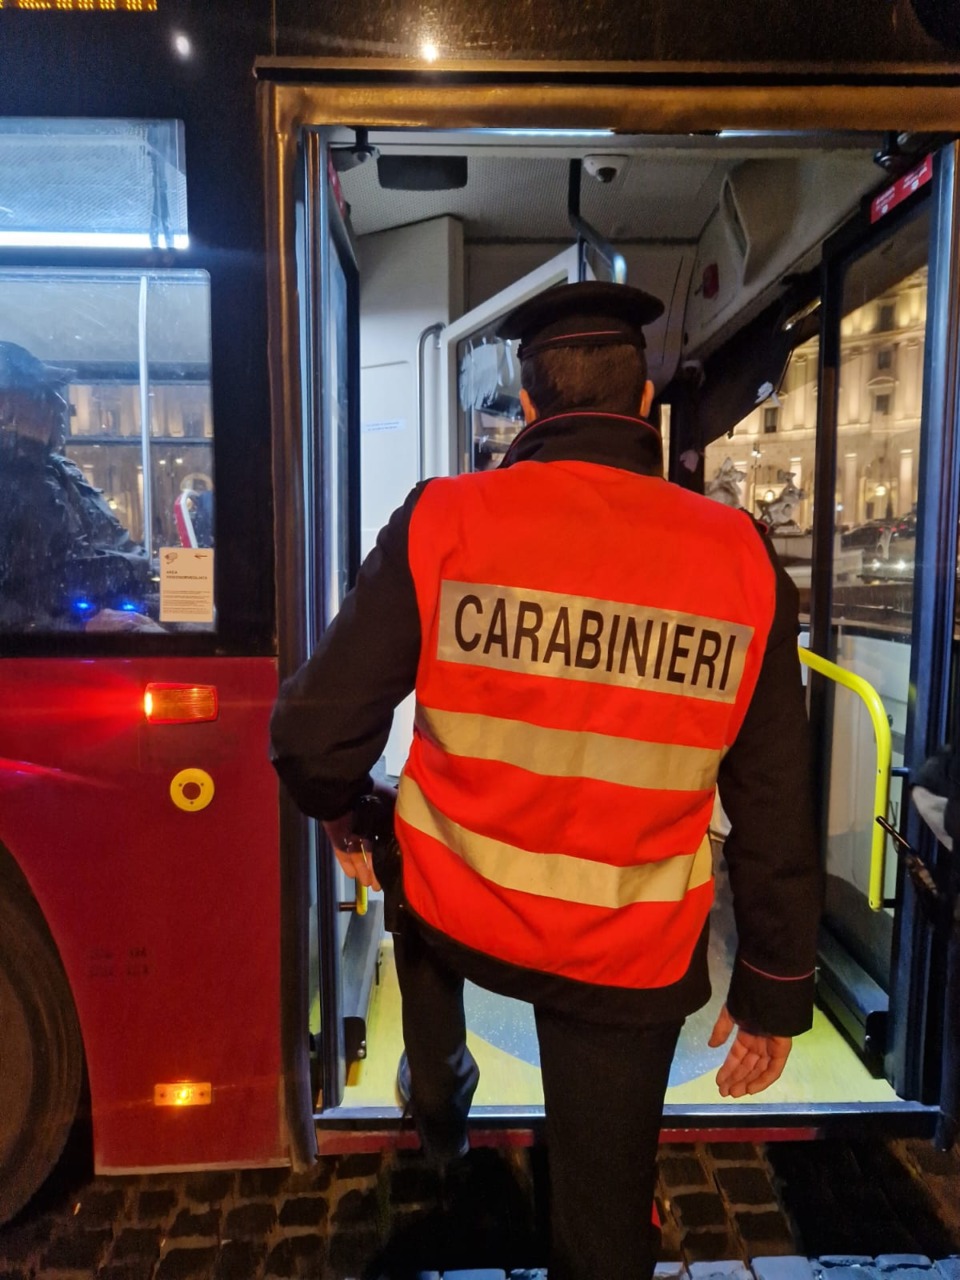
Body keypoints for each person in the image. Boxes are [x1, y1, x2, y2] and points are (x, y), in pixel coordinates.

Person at [270, 281, 823, 1280]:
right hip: (628, 950)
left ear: (527, 408)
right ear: (644, 405)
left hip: (459, 902)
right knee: (603, 1230)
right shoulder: (739, 558)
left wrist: (352, 811)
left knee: (402, 839)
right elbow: (777, 793)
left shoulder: (445, 521)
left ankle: (438, 1104)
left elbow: (312, 735)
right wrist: (776, 984)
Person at [0, 340, 158, 632]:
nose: (62, 406)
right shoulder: (10, 485)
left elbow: (116, 549)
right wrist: (77, 631)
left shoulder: (65, 473)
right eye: (44, 395)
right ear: (4, 405)